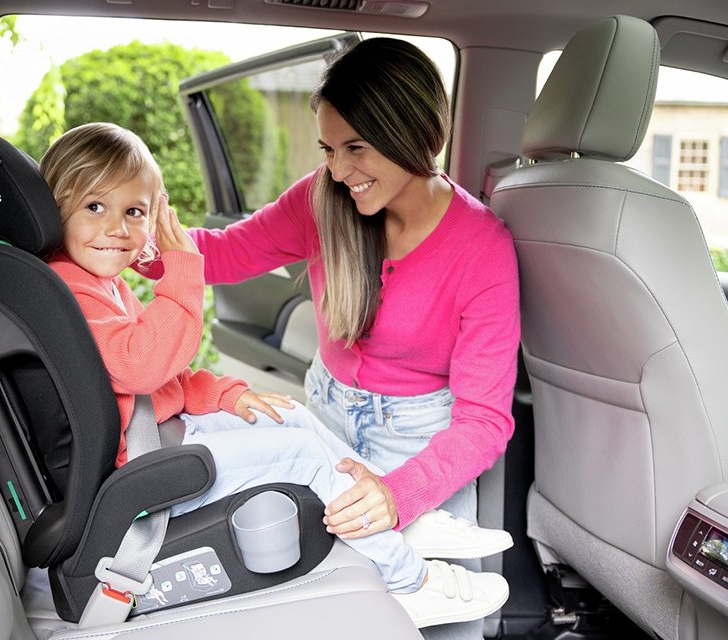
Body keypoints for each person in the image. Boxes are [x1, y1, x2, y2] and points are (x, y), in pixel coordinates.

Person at [38, 121, 510, 628]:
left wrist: (224, 394)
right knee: (303, 451)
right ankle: (406, 582)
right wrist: (176, 263)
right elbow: (144, 363)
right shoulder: (73, 289)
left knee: (291, 419)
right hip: (144, 459)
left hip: (162, 436)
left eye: (134, 212)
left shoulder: (97, 283)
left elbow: (155, 381)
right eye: (94, 207)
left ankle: (397, 515)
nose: (116, 228)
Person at [185, 38, 521, 638]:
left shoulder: (481, 249)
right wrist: (132, 241)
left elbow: (483, 420)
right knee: (333, 611)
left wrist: (398, 495)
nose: (338, 170)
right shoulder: (323, 199)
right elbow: (225, 253)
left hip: (422, 444)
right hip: (327, 419)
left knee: (435, 624)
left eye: (356, 148)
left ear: (414, 132)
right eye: (329, 149)